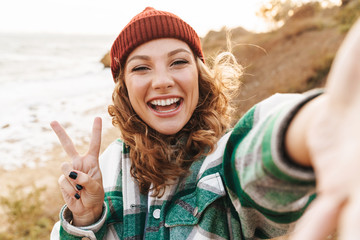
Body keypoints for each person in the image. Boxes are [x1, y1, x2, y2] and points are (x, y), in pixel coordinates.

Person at [50, 6, 360, 240]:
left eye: (178, 61)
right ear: (124, 90)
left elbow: (263, 144)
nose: (162, 81)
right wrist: (87, 219)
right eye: (141, 68)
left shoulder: (223, 158)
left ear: (200, 76)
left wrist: (318, 124)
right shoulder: (106, 169)